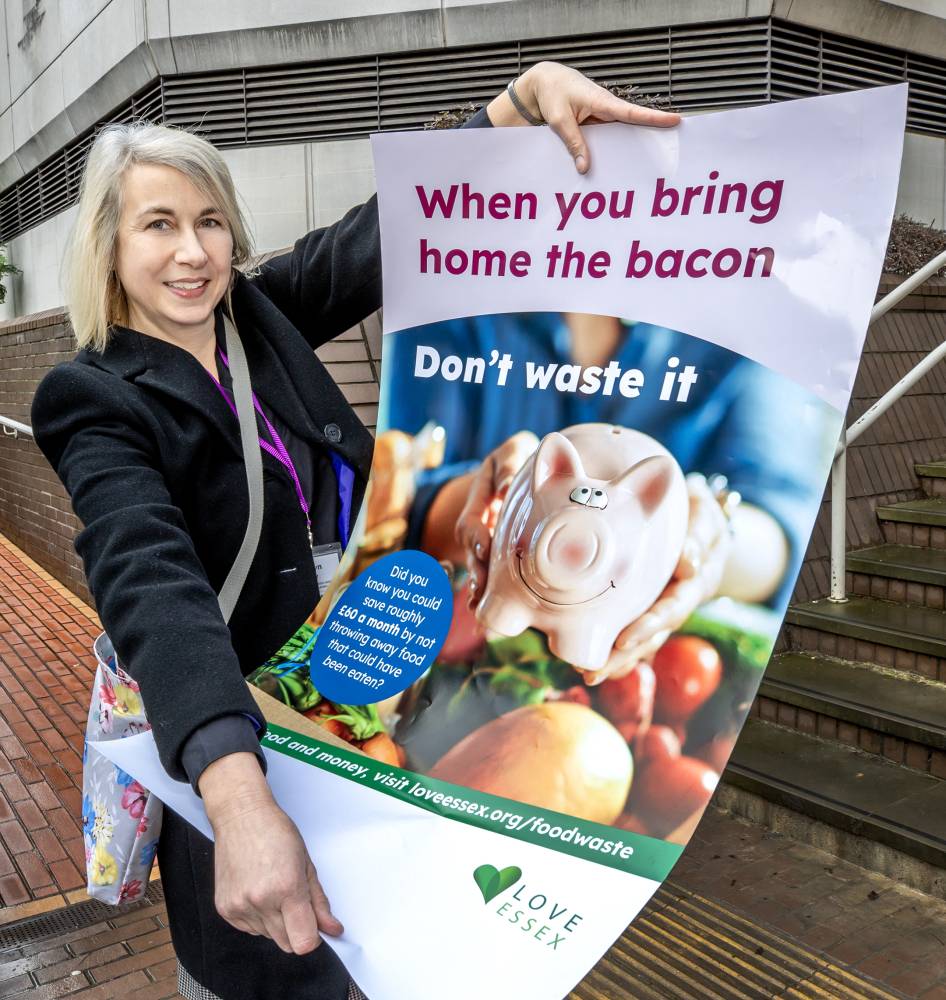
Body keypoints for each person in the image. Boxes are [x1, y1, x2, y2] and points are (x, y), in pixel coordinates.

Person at [29, 64, 680, 1000]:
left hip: (361, 708)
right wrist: (233, 789)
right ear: (109, 245)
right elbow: (148, 576)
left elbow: (386, 231)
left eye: (210, 222)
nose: (192, 252)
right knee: (276, 969)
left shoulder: (257, 318)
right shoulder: (91, 396)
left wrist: (519, 103)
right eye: (159, 224)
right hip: (242, 742)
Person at [384, 310, 832, 681]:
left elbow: (781, 529)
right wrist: (495, 499)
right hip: (447, 635)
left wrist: (703, 534)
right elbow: (394, 487)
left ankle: (583, 634)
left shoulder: (751, 332)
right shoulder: (456, 296)